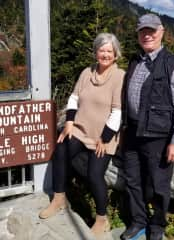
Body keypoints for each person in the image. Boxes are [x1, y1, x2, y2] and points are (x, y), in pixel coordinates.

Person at [39, 33, 125, 237]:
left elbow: (117, 111)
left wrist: (104, 139)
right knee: (60, 150)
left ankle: (102, 219)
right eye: (101, 50)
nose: (105, 54)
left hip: (103, 136)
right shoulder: (87, 72)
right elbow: (74, 97)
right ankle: (59, 199)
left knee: (94, 174)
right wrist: (69, 122)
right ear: (96, 52)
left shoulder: (119, 76)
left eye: (109, 51)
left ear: (115, 54)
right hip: (80, 128)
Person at [120, 13, 174, 240]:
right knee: (132, 180)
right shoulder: (134, 61)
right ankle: (138, 221)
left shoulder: (173, 65)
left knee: (159, 186)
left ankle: (157, 228)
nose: (147, 35)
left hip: (159, 136)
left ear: (161, 32)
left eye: (151, 30)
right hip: (132, 132)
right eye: (142, 31)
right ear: (138, 35)